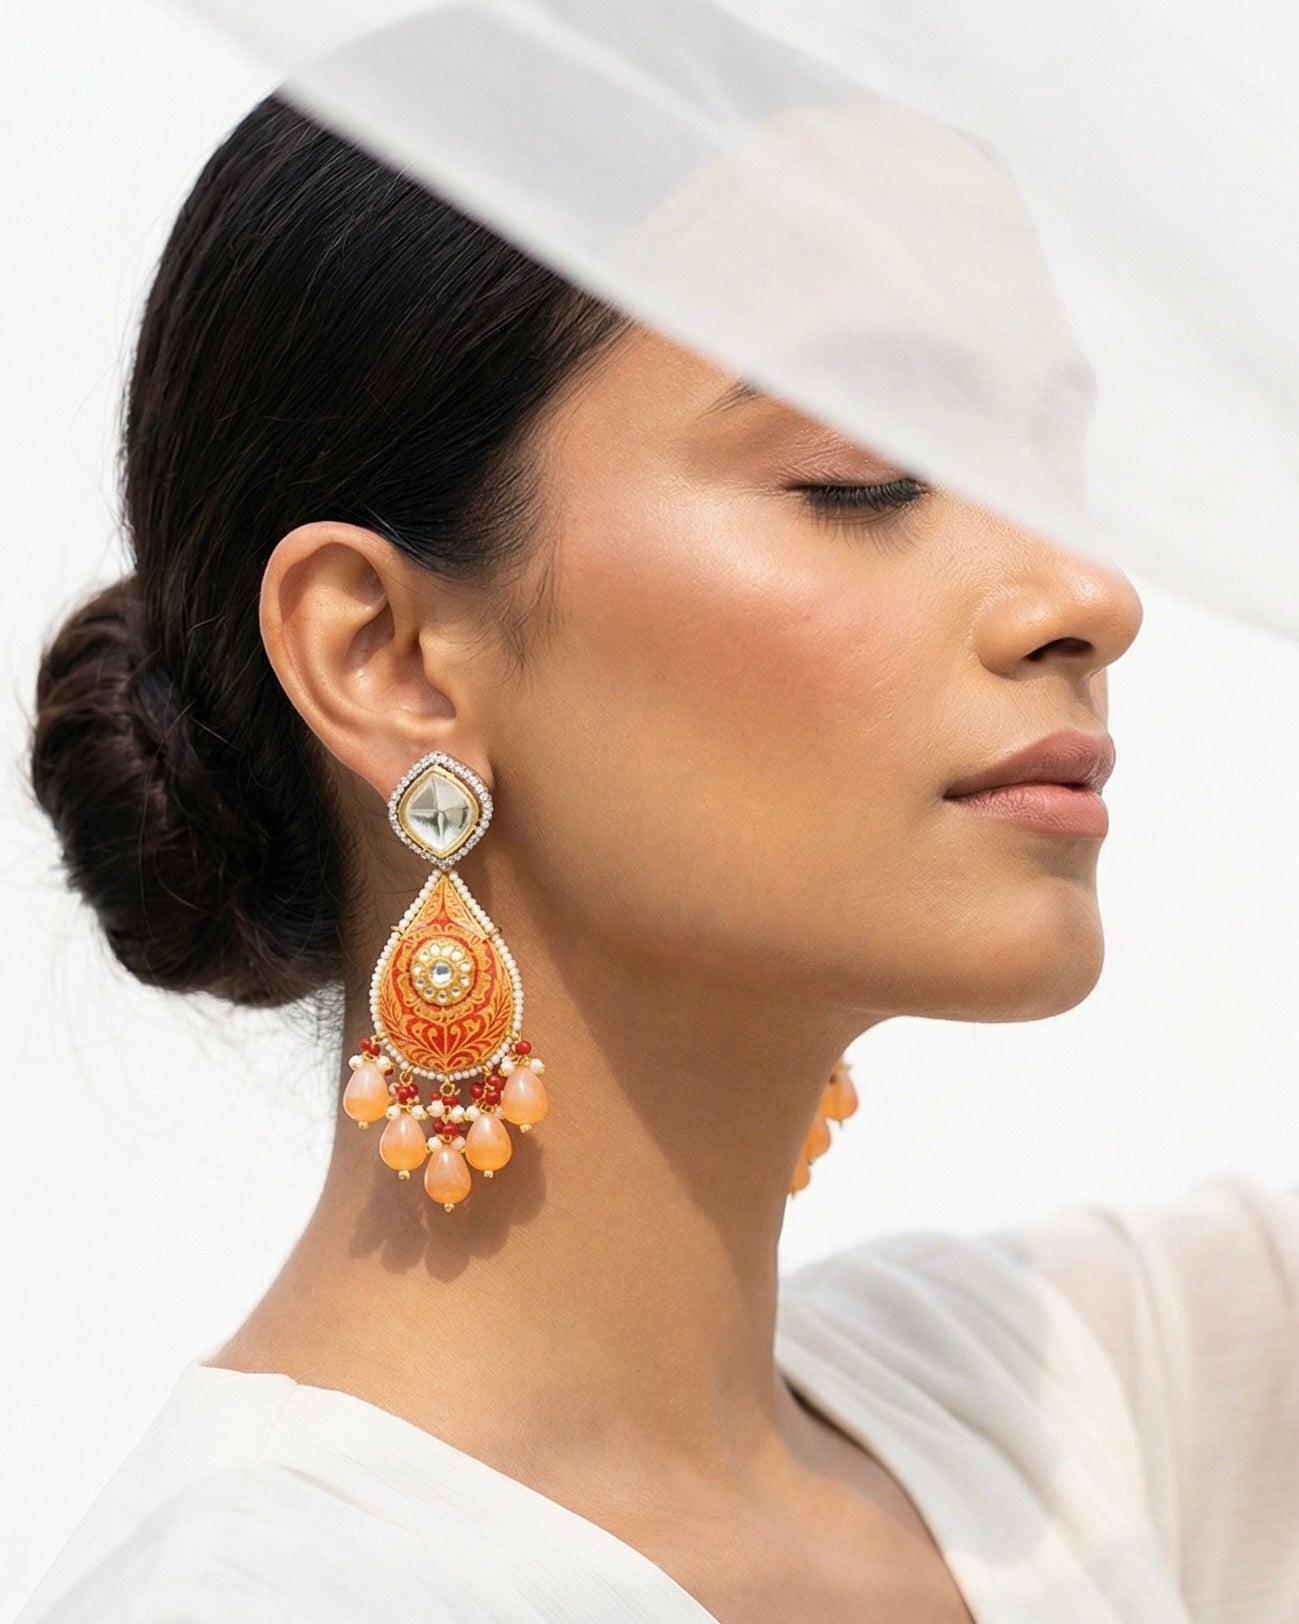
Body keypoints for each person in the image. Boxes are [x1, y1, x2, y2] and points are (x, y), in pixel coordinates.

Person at [17, 91, 1297, 1624]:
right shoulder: (263, 1597)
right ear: (387, 657)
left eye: (1052, 479)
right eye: (864, 473)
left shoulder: (1077, 1422)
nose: (1091, 595)